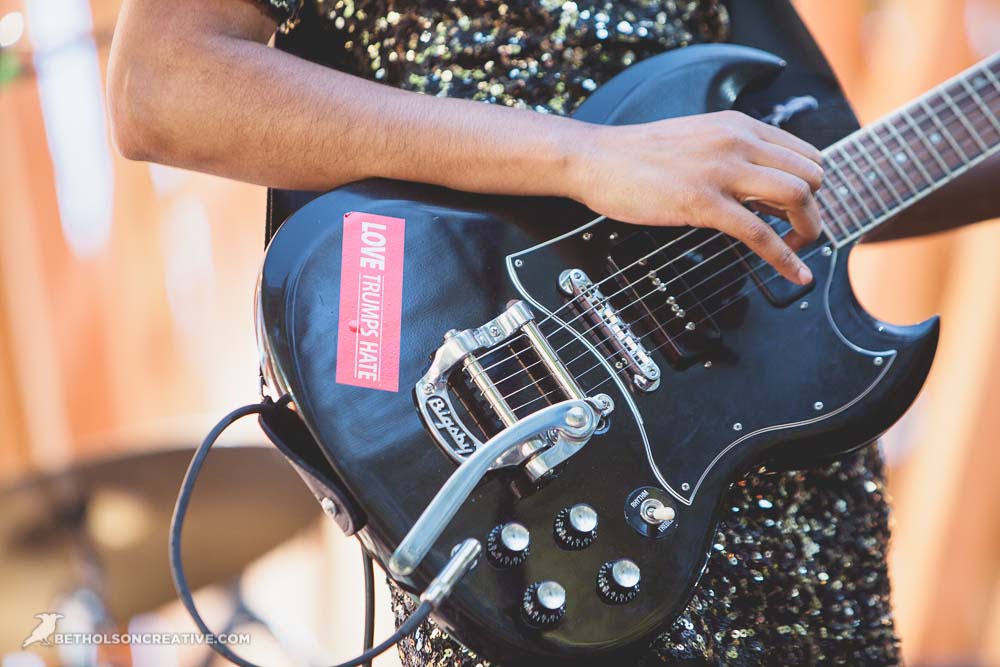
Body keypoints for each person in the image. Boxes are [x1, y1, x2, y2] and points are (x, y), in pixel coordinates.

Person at [107, 0, 998, 664]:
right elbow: (162, 84)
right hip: (523, 469)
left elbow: (828, 162)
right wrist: (583, 157)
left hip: (781, 481)